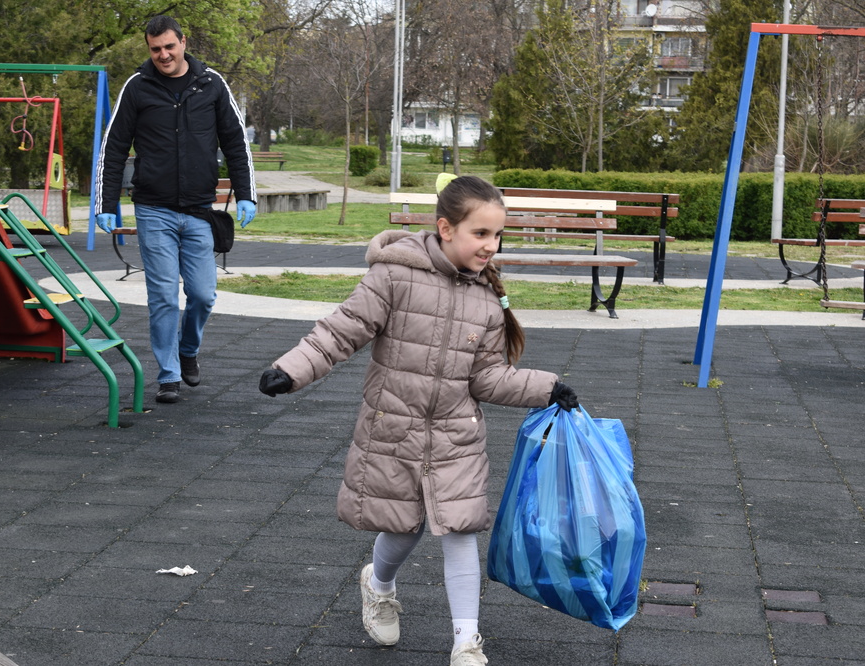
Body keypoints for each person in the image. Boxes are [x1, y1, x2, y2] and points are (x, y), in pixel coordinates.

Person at [257, 175, 578, 665]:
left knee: (460, 529)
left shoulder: (486, 300)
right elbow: (342, 331)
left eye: (498, 236)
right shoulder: (393, 276)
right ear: (446, 228)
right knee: (404, 527)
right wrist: (291, 369)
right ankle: (378, 583)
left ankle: (466, 643)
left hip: (456, 435)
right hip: (395, 430)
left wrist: (545, 388)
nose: (491, 246)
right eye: (481, 234)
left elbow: (488, 378)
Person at [94, 15, 257, 404]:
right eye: (155, 49)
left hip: (200, 210)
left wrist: (247, 192)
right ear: (149, 49)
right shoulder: (138, 87)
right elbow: (114, 146)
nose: (163, 55)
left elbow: (235, 141)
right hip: (154, 209)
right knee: (164, 296)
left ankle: (187, 349)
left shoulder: (212, 84)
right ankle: (168, 375)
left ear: (183, 42)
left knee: (202, 295)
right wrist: (106, 201)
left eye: (169, 46)